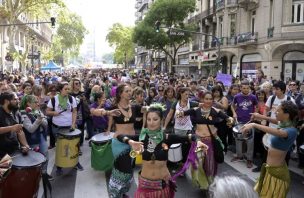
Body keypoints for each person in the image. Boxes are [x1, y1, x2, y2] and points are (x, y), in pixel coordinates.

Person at [116, 104, 208, 198]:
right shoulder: (142, 137)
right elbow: (120, 136)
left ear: (161, 120)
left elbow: (191, 136)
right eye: (149, 119)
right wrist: (130, 142)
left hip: (163, 185)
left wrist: (198, 141)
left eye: (155, 119)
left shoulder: (167, 138)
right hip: (144, 185)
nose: (151, 123)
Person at [177, 91, 233, 191]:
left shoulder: (216, 111)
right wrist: (179, 112)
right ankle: (203, 183)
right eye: (206, 99)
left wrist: (230, 121)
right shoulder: (195, 110)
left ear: (213, 100)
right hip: (198, 141)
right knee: (198, 163)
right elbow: (181, 113)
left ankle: (210, 183)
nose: (208, 101)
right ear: (202, 99)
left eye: (210, 99)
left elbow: (229, 118)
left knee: (210, 164)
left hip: (210, 141)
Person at [242, 101, 298, 198]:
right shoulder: (284, 123)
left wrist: (254, 125)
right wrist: (259, 116)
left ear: (287, 114)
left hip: (277, 173)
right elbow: (275, 121)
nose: (275, 112)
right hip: (270, 169)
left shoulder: (291, 130)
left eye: (278, 111)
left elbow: (278, 133)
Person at [107, 84, 138, 198]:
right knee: (124, 171)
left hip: (133, 143)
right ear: (120, 93)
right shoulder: (113, 107)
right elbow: (110, 119)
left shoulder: (134, 107)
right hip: (120, 144)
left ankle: (122, 192)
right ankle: (114, 193)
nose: (130, 93)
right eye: (127, 91)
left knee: (128, 170)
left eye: (130, 91)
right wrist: (108, 130)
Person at [46, 81, 83, 175]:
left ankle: (75, 162)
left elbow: (74, 111)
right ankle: (59, 166)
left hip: (69, 126)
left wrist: (73, 124)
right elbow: (47, 112)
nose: (67, 91)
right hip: (57, 127)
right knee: (60, 147)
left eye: (68, 89)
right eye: (65, 89)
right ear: (60, 90)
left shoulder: (71, 99)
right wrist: (54, 113)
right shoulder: (54, 100)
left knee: (74, 145)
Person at [21, 95, 52, 180]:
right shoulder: (23, 113)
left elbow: (45, 124)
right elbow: (30, 129)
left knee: (45, 155)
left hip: (41, 136)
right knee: (35, 158)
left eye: (37, 101)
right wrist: (39, 120)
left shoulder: (37, 110)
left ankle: (44, 173)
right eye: (35, 102)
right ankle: (35, 175)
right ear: (28, 103)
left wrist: (41, 120)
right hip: (31, 139)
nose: (37, 103)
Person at [231, 80, 258, 168]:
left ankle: (249, 159)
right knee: (238, 139)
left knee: (250, 140)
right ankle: (239, 156)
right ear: (241, 88)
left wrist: (254, 115)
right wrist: (234, 113)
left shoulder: (253, 97)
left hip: (249, 122)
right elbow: (232, 105)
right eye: (243, 88)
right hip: (239, 121)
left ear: (249, 88)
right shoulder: (237, 96)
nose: (245, 89)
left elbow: (256, 107)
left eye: (247, 88)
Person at [0, 92, 29, 158]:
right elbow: (13, 128)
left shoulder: (16, 112)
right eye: (15, 99)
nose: (18, 101)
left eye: (18, 99)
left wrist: (26, 145)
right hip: (1, 153)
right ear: (6, 101)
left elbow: (20, 131)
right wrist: (11, 128)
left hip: (15, 149)